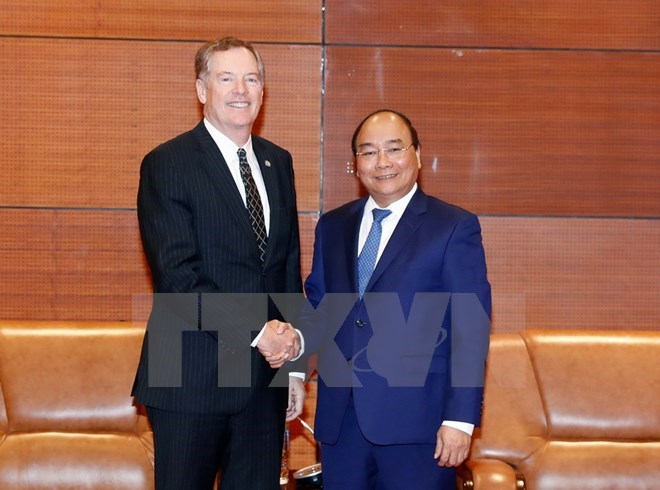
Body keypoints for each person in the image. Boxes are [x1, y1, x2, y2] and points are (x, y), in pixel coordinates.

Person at [131, 37, 305, 490]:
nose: (240, 89)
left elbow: (285, 270)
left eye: (251, 78)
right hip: (190, 375)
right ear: (202, 90)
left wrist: (292, 368)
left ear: (263, 90)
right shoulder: (168, 163)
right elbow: (177, 278)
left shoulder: (277, 162)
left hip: (262, 385)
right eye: (225, 78)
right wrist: (260, 331)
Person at [297, 109, 491, 489]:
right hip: (341, 426)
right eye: (368, 152)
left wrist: (460, 419)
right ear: (355, 164)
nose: (382, 162)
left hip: (421, 427)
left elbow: (470, 328)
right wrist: (295, 369)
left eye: (394, 148)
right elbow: (318, 307)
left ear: (417, 154)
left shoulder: (453, 227)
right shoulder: (333, 226)